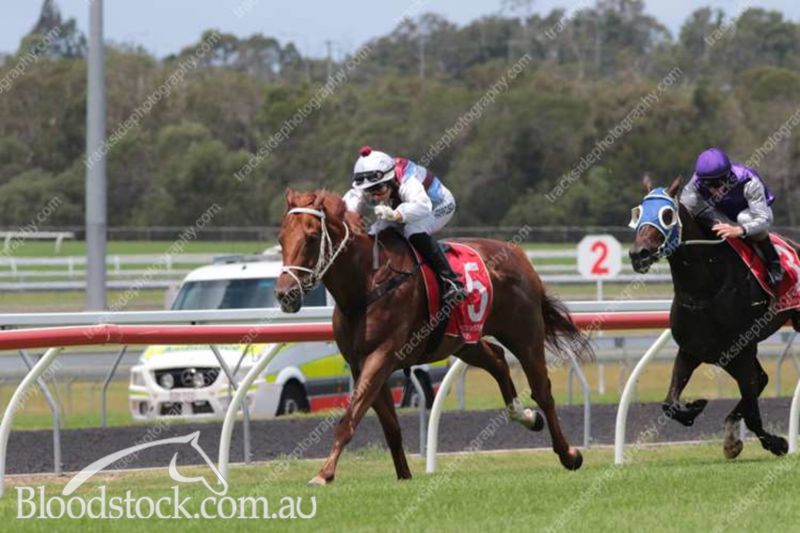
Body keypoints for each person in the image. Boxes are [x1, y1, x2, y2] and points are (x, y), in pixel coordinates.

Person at [343, 146, 465, 300]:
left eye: (379, 190)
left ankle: (452, 281)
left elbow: (422, 206)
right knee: (374, 231)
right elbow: (348, 205)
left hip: (437, 205)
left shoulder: (407, 179)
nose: (375, 197)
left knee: (413, 230)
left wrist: (396, 214)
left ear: (391, 180)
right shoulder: (369, 181)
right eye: (369, 192)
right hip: (406, 206)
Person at [681, 147, 784, 288]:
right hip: (724, 215)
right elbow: (683, 210)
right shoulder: (695, 182)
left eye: (718, 183)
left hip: (754, 215)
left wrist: (740, 230)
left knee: (744, 218)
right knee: (697, 214)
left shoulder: (748, 180)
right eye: (708, 184)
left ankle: (773, 262)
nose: (714, 189)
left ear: (728, 176)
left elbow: (764, 219)